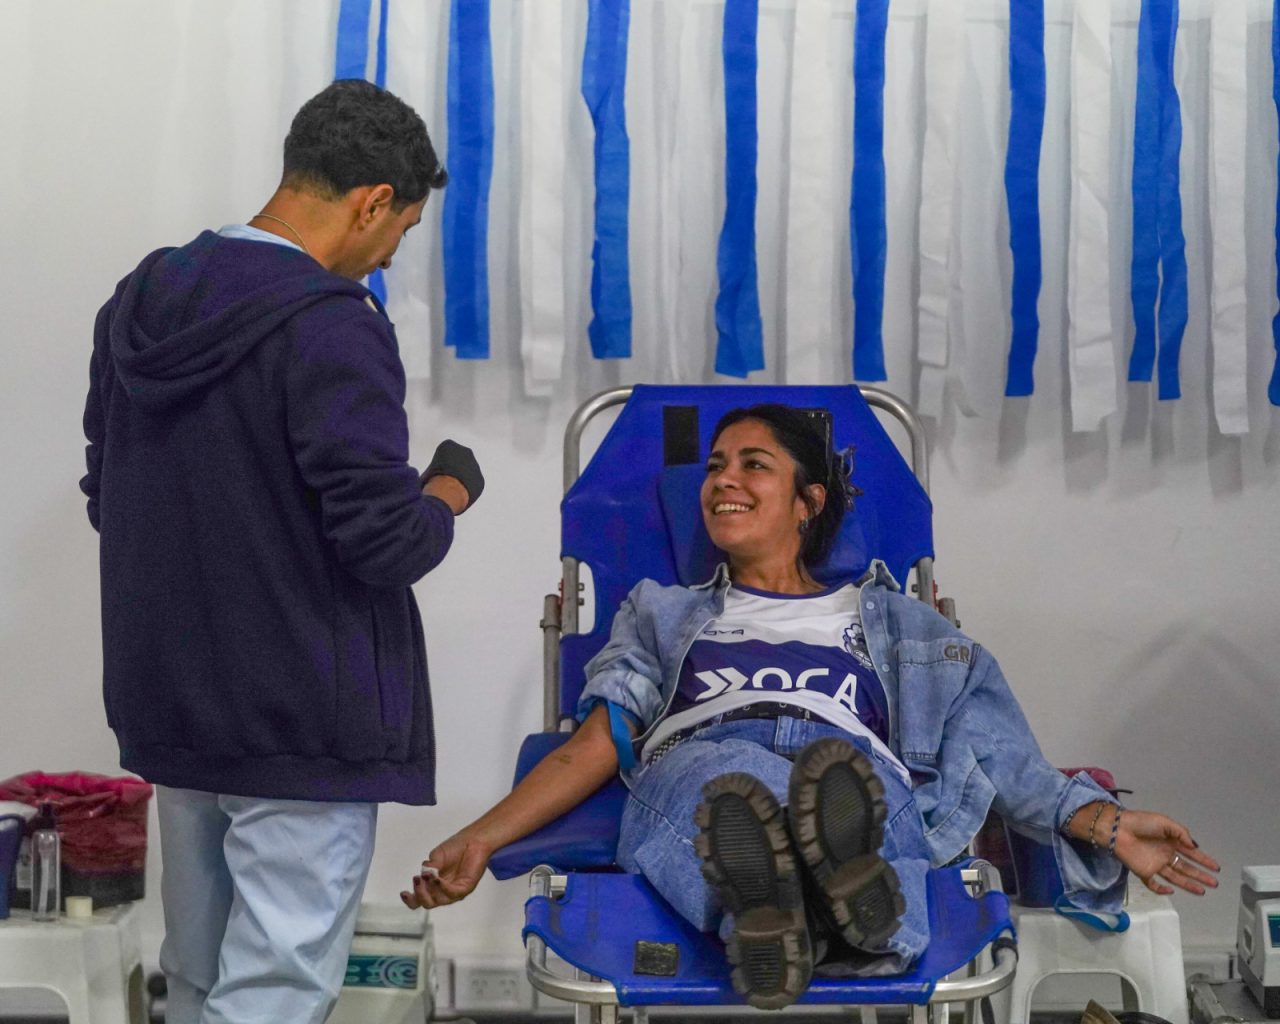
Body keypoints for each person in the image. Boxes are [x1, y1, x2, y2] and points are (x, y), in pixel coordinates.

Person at [402, 404, 1219, 1010]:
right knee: (730, 779)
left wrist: (1107, 823)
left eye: (754, 464)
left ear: (808, 501)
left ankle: (776, 915)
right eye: (715, 466)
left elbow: (998, 752)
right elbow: (595, 744)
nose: (723, 479)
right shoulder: (660, 611)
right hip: (705, 763)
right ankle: (851, 912)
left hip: (853, 770)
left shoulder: (908, 628)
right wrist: (481, 838)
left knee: (846, 786)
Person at [80, 80, 483, 1024]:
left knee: (197, 982)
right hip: (303, 720)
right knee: (276, 994)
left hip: (177, 703)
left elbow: (111, 498)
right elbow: (385, 543)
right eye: (401, 231)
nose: (389, 258)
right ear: (372, 201)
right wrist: (448, 490)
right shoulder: (332, 324)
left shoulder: (143, 298)